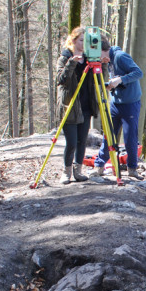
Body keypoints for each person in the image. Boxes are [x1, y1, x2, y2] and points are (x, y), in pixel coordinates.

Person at [55, 27, 106, 184]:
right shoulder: (65, 57)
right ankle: (66, 172)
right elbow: (61, 80)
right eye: (82, 40)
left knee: (82, 141)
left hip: (86, 105)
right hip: (70, 105)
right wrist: (72, 63)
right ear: (74, 40)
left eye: (87, 41)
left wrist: (101, 65)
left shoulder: (90, 58)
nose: (84, 44)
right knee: (71, 141)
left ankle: (78, 171)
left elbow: (99, 81)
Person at [90, 40, 144, 180]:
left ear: (104, 49)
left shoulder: (120, 56)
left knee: (130, 136)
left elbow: (138, 72)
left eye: (99, 55)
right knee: (108, 134)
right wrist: (111, 84)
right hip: (115, 103)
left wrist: (120, 80)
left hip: (130, 103)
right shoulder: (109, 61)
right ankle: (99, 165)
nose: (99, 60)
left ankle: (132, 168)